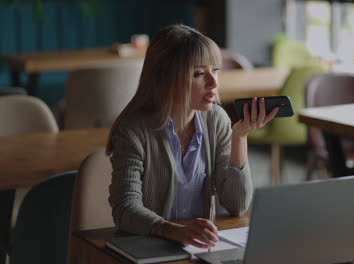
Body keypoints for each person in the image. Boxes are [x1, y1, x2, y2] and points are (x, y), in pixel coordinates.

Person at [106, 24, 278, 249]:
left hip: (198, 248)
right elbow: (125, 208)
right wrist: (171, 230)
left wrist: (240, 137)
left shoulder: (216, 120)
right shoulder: (133, 130)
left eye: (215, 70)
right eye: (199, 73)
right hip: (150, 247)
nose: (214, 83)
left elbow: (237, 205)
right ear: (165, 78)